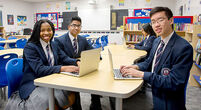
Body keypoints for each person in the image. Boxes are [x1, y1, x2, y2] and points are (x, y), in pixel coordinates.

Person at [120, 7, 193, 110]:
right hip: (155, 97)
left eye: (161, 20)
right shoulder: (157, 41)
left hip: (169, 103)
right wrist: (134, 66)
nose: (156, 25)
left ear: (171, 20)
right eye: (153, 22)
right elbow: (149, 62)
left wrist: (141, 74)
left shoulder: (183, 48)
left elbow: (174, 82)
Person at [5, 19, 80, 110]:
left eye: (49, 30)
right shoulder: (30, 47)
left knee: (72, 90)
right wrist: (63, 68)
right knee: (48, 100)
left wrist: (77, 62)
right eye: (42, 30)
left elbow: (64, 57)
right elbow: (40, 70)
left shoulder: (54, 44)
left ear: (52, 31)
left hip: (50, 79)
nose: (46, 33)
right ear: (37, 32)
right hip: (34, 83)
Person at [55, 16, 102, 110]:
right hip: (67, 71)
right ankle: (76, 107)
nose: (76, 28)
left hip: (80, 67)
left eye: (79, 26)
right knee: (75, 91)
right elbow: (63, 58)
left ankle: (95, 106)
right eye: (74, 25)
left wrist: (98, 56)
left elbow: (92, 50)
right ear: (69, 27)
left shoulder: (82, 39)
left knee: (96, 79)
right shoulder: (59, 40)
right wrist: (77, 62)